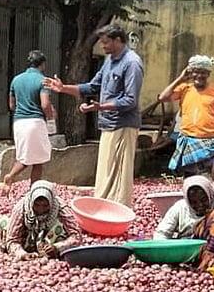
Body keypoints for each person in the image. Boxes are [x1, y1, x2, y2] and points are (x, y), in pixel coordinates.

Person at [43, 24, 144, 207]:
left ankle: (118, 208)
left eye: (106, 43)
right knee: (106, 169)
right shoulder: (109, 60)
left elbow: (130, 100)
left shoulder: (132, 63)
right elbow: (93, 87)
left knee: (119, 172)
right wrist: (63, 88)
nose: (103, 46)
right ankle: (103, 204)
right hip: (108, 123)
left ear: (118, 40)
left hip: (123, 124)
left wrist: (102, 106)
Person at [158, 55, 214, 189]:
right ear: (191, 72)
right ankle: (193, 207)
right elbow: (163, 97)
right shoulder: (184, 88)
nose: (199, 75)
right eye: (196, 71)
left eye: (203, 72)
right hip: (189, 140)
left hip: (211, 142)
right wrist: (180, 78)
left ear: (208, 73)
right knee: (191, 180)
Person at [153, 175, 214, 270]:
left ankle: (205, 264)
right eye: (193, 202)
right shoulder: (180, 208)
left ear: (210, 195)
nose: (200, 205)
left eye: (203, 200)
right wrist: (164, 256)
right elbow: (161, 233)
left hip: (213, 256)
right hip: (185, 254)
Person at [3, 50, 56, 188]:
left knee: (25, 157)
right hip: (35, 122)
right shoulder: (43, 81)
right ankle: (34, 190)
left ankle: (10, 176)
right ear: (43, 64)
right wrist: (51, 115)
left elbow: (11, 105)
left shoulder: (16, 80)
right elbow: (45, 104)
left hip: (19, 122)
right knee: (38, 161)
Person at [0, 180, 80, 259]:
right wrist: (22, 254)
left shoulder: (60, 207)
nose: (41, 210)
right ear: (32, 201)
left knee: (60, 228)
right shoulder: (21, 208)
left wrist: (58, 246)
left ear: (51, 202)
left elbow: (76, 235)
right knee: (4, 223)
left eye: (45, 206)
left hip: (49, 237)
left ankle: (51, 252)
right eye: (37, 205)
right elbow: (13, 239)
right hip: (26, 237)